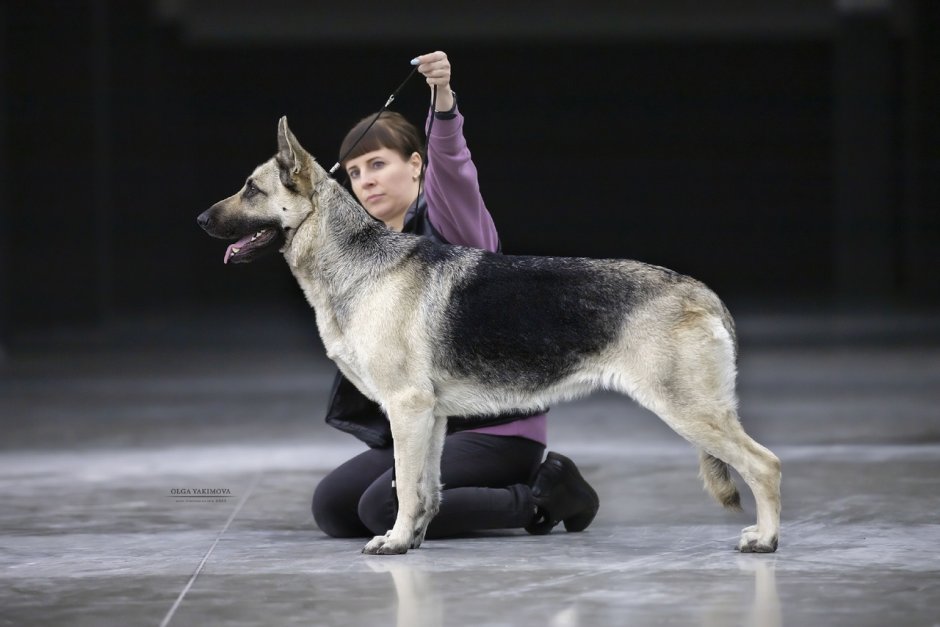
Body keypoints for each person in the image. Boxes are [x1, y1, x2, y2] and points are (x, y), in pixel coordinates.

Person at [311, 51, 599, 540]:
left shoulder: (451, 222)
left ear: (415, 165)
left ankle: (544, 496)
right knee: (334, 508)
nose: (366, 180)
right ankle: (499, 488)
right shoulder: (375, 252)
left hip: (495, 430)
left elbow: (453, 166)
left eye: (378, 163)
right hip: (429, 421)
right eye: (355, 172)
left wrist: (442, 102)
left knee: (384, 509)